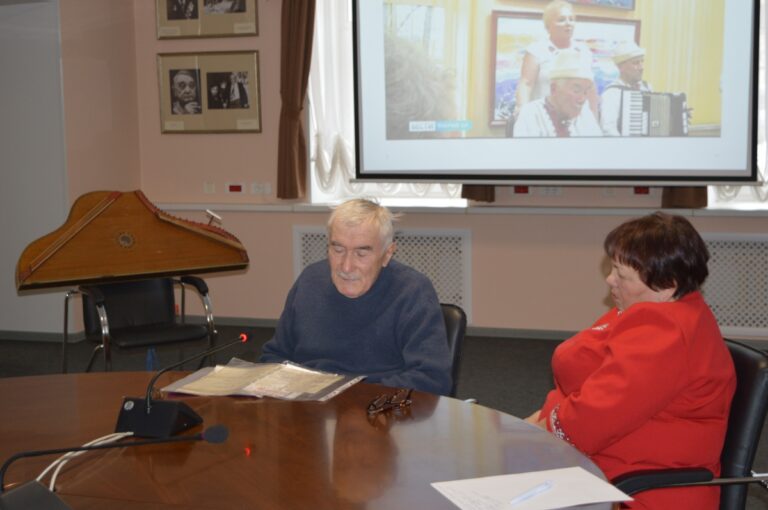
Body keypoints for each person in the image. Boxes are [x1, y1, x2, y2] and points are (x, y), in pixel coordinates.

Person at [525, 212, 736, 510]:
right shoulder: (652, 309)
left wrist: (530, 434)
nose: (610, 280)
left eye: (622, 275)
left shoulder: (665, 331)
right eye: (613, 268)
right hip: (611, 470)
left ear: (666, 284)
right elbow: (584, 371)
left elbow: (591, 420)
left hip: (640, 491)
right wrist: (539, 422)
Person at [259, 198, 452, 395]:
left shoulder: (413, 291)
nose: (346, 267)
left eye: (361, 253)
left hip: (376, 405)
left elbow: (432, 378)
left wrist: (352, 400)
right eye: (338, 250)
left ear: (387, 254)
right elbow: (274, 356)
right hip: (309, 400)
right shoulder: (310, 280)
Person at [514, 0, 597, 120]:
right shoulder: (536, 50)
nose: (568, 23)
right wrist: (523, 114)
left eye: (571, 19)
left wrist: (594, 120)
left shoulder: (584, 51)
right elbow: (526, 84)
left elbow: (591, 90)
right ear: (548, 26)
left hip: (578, 120)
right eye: (561, 20)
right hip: (543, 118)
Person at [513, 49, 601, 137]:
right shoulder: (531, 113)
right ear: (554, 89)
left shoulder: (585, 113)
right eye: (576, 91)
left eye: (585, 92)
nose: (582, 99)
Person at [600, 40, 653, 136]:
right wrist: (626, 144)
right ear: (620, 67)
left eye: (642, 61)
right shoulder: (612, 94)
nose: (641, 67)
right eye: (636, 63)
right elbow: (608, 129)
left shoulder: (647, 88)